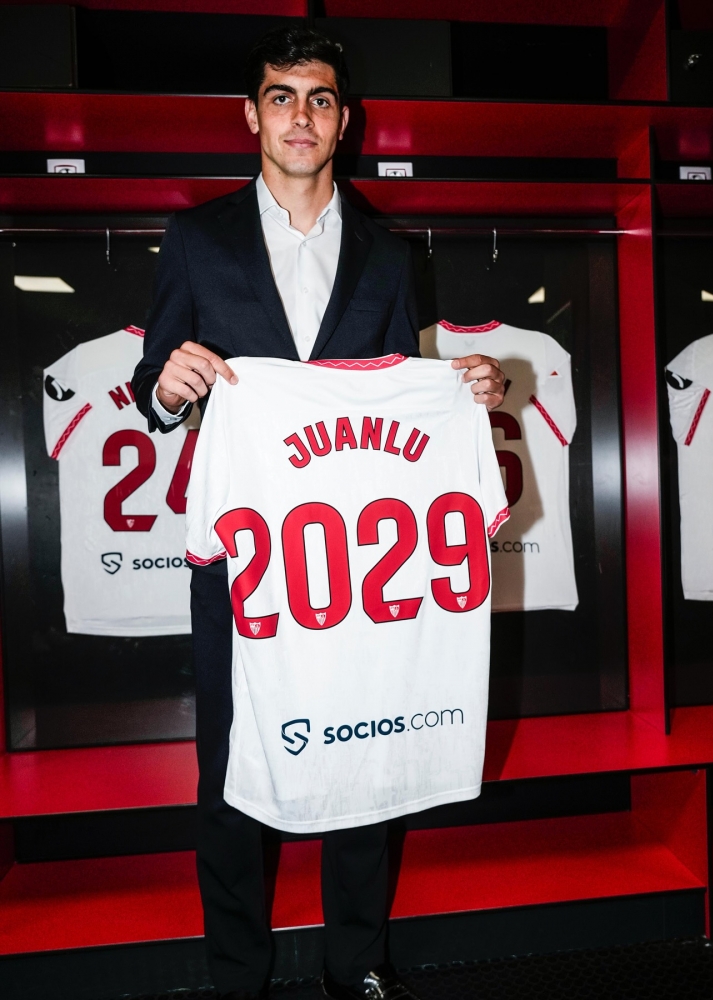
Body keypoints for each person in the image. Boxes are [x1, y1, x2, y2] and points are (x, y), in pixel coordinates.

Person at [132, 25, 505, 1000]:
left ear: (345, 122)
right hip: (245, 553)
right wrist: (167, 387)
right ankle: (238, 975)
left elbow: (402, 391)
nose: (301, 115)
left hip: (353, 558)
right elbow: (150, 383)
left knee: (366, 749)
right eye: (282, 96)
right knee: (227, 766)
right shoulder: (196, 239)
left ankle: (356, 963)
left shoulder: (388, 253)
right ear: (251, 116)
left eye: (321, 98)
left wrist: (460, 386)